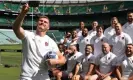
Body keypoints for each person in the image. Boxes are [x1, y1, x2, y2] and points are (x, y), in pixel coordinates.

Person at [13, 3, 66, 80]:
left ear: (48, 27)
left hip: (43, 76)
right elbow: (15, 28)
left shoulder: (51, 42)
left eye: (45, 22)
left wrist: (55, 61)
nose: (42, 22)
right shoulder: (28, 36)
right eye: (41, 21)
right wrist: (23, 13)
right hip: (27, 77)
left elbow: (63, 59)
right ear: (37, 23)